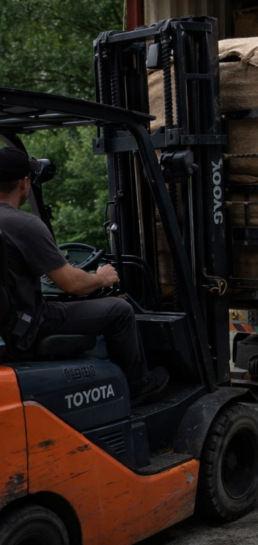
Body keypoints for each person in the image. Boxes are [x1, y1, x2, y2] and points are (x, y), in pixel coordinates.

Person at [0, 147, 168, 405]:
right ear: (24, 182)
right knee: (120, 310)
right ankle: (139, 386)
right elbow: (72, 284)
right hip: (26, 329)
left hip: (7, 327)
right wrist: (102, 277)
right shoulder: (24, 224)